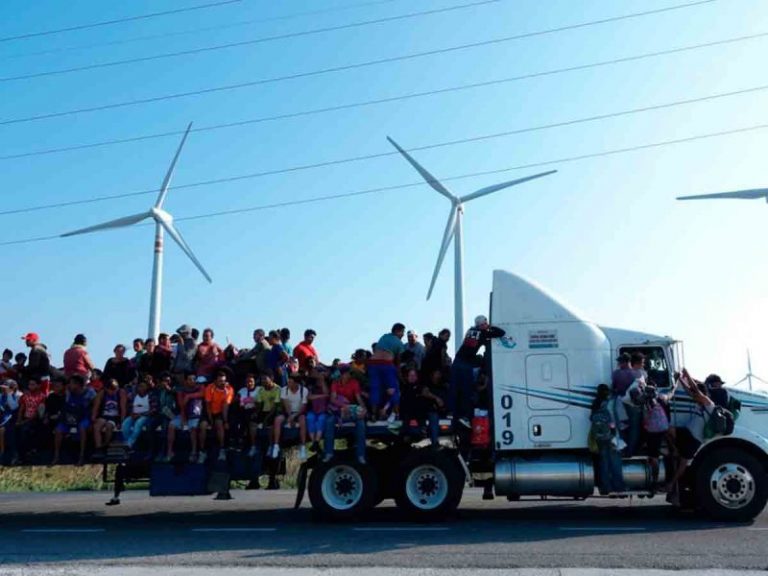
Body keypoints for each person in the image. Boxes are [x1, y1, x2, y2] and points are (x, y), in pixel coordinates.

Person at [665, 368, 716, 504]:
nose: (693, 394)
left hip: (692, 438)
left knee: (681, 462)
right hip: (690, 437)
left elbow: (693, 389)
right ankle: (673, 490)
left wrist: (686, 375)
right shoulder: (699, 402)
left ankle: (672, 486)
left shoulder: (708, 403)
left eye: (696, 393)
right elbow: (690, 391)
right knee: (681, 463)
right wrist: (680, 380)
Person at [449, 316, 505, 428]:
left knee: (455, 390)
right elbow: (501, 333)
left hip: (457, 361)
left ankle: (452, 414)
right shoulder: (483, 333)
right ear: (482, 324)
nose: (487, 324)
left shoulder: (470, 330)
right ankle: (466, 417)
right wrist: (490, 327)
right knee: (467, 392)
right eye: (485, 323)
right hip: (465, 364)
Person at [324, 367, 367, 464]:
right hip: (338, 411)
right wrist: (343, 406)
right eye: (348, 373)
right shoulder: (335, 383)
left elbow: (358, 398)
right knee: (329, 421)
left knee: (361, 423)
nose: (349, 375)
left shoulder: (354, 383)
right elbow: (332, 399)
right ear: (342, 374)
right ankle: (329, 453)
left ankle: (361, 455)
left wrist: (364, 409)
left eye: (350, 373)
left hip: (351, 410)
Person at [590, 383, 626, 495]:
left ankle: (605, 487)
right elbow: (612, 423)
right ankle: (619, 486)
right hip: (611, 437)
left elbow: (591, 418)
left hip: (599, 438)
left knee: (603, 463)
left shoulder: (595, 404)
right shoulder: (609, 403)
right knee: (615, 462)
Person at [368, 323, 406, 421]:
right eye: (402, 333)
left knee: (375, 388)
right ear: (399, 331)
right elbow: (398, 362)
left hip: (373, 364)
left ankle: (373, 414)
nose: (403, 335)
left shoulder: (384, 337)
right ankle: (396, 414)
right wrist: (400, 375)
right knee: (394, 389)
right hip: (386, 364)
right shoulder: (399, 343)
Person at [166, 373, 205, 463]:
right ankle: (169, 451)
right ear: (186, 381)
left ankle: (194, 452)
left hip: (196, 415)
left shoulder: (200, 387)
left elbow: (202, 394)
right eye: (190, 379)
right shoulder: (181, 391)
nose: (192, 381)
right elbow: (181, 406)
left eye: (194, 379)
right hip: (184, 414)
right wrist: (184, 420)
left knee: (193, 428)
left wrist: (188, 396)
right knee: (171, 425)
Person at [53, 375, 91, 466]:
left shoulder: (88, 393)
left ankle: (81, 456)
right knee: (58, 430)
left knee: (82, 428)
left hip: (83, 418)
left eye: (71, 383)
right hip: (69, 418)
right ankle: (56, 456)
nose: (69, 385)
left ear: (77, 384)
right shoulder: (69, 393)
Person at [400, 368, 442, 447]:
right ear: (407, 377)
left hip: (421, 414)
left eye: (414, 375)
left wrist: (436, 398)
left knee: (434, 415)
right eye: (410, 375)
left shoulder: (420, 386)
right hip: (407, 415)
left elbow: (425, 391)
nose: (412, 377)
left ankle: (435, 443)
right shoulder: (403, 387)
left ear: (417, 377)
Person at [200, 369, 234, 462]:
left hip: (220, 412)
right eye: (220, 381)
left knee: (219, 424)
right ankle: (202, 451)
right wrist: (210, 421)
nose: (222, 383)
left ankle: (222, 449)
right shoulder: (209, 388)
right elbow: (207, 405)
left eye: (224, 381)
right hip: (209, 411)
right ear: (215, 381)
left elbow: (225, 407)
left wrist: (225, 421)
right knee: (203, 426)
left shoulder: (229, 389)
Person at [271, 376, 308, 461]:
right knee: (277, 420)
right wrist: (290, 416)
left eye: (290, 382)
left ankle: (302, 447)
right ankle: (276, 446)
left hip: (299, 412)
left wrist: (294, 416)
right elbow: (286, 404)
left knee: (302, 420)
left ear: (296, 383)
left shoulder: (304, 390)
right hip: (288, 412)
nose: (288, 384)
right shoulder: (284, 389)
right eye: (288, 382)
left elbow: (303, 407)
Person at [15, 378, 47, 463]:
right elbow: (21, 409)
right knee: (19, 431)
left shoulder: (42, 396)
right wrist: (19, 420)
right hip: (25, 418)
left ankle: (33, 453)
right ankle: (21, 456)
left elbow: (38, 412)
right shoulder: (25, 396)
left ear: (38, 385)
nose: (30, 386)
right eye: (29, 384)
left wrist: (24, 422)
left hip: (36, 419)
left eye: (33, 384)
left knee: (31, 431)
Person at [92, 378, 127, 452]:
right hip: (104, 415)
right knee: (96, 426)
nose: (112, 391)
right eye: (110, 389)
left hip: (115, 417)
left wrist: (122, 421)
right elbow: (96, 406)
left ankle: (105, 444)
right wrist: (93, 417)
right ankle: (98, 447)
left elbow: (123, 408)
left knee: (109, 426)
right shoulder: (102, 393)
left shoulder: (121, 392)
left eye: (114, 389)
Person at [251, 375, 281, 457]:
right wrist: (256, 413)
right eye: (262, 379)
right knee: (252, 423)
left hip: (273, 411)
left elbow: (276, 406)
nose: (263, 381)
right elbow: (259, 404)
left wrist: (266, 419)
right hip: (263, 410)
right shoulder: (261, 389)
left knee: (269, 425)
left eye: (265, 379)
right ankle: (253, 446)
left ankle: (271, 446)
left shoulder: (278, 389)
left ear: (271, 378)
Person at [151, 372, 178, 459]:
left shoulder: (175, 388)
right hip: (160, 414)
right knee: (149, 426)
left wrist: (168, 389)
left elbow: (176, 395)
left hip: (170, 415)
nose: (166, 382)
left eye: (167, 380)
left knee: (164, 430)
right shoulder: (158, 390)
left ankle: (163, 452)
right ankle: (152, 450)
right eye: (164, 381)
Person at [121, 378, 152, 450]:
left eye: (143, 386)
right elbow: (129, 407)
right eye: (140, 386)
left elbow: (153, 410)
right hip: (134, 415)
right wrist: (132, 414)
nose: (141, 388)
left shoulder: (150, 396)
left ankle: (129, 443)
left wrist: (140, 415)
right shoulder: (133, 396)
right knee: (125, 424)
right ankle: (129, 445)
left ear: (147, 387)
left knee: (138, 423)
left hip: (145, 416)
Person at [236, 373, 259, 454]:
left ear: (254, 382)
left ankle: (253, 446)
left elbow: (259, 402)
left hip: (256, 411)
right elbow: (238, 401)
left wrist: (247, 400)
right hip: (244, 411)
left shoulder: (259, 389)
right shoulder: (242, 390)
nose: (249, 383)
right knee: (239, 422)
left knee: (251, 422)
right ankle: (240, 443)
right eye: (247, 382)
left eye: (251, 381)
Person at [306, 373, 329, 452]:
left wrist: (322, 382)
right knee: (309, 418)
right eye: (318, 379)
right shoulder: (311, 387)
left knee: (321, 419)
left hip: (323, 411)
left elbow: (327, 394)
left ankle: (316, 442)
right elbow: (309, 397)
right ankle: (314, 443)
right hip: (313, 410)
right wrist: (321, 396)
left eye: (321, 379)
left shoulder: (325, 386)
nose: (319, 380)